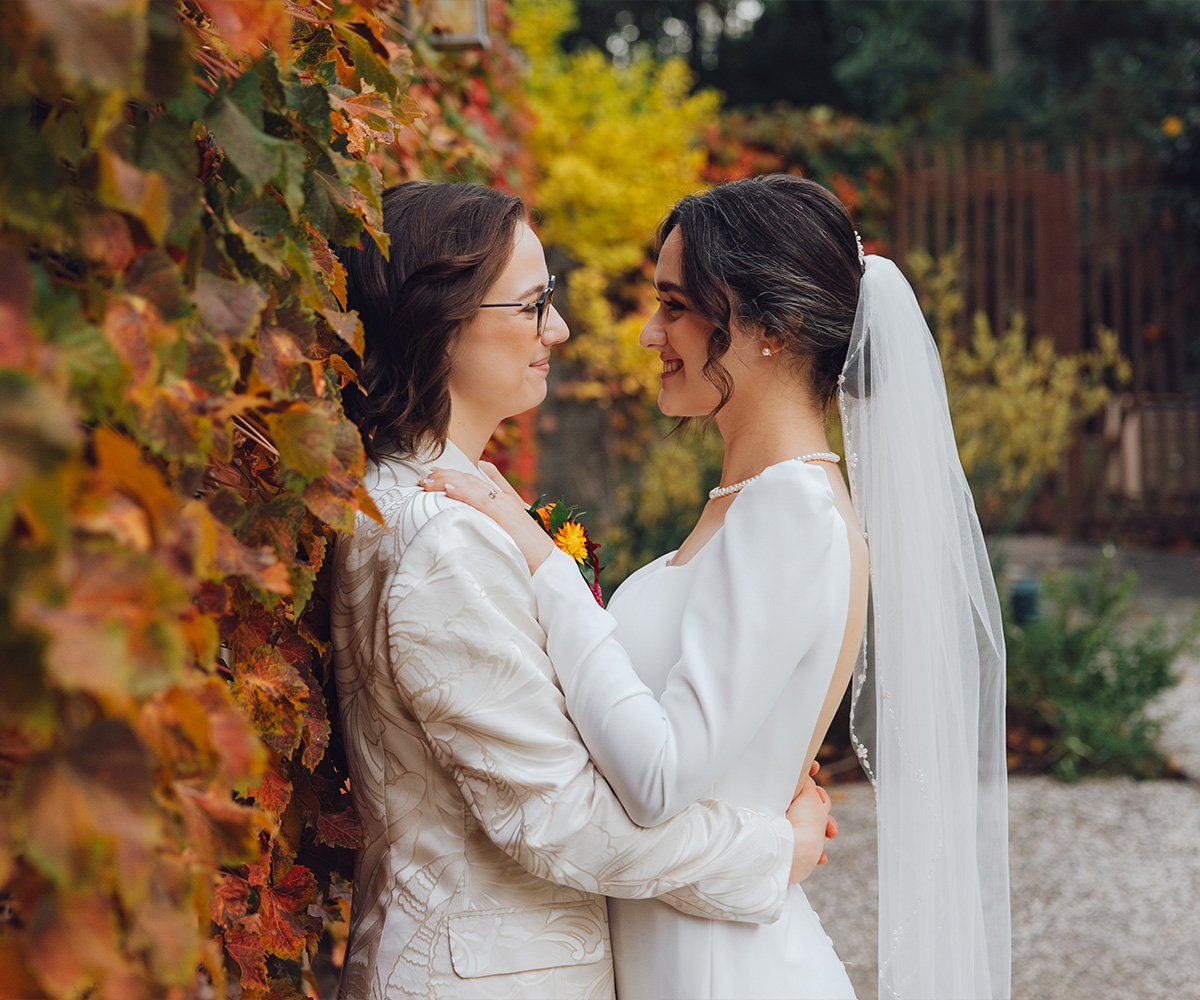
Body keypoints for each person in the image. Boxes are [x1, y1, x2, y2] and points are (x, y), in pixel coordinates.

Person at [424, 175, 1011, 1000]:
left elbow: (659, 778)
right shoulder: (751, 503)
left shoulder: (793, 511)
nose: (647, 335)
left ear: (774, 328)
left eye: (676, 307)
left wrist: (544, 563)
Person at [330, 179, 840, 1000]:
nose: (558, 330)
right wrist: (771, 851)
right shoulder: (444, 537)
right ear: (445, 321)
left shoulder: (419, 497)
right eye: (533, 305)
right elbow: (555, 818)